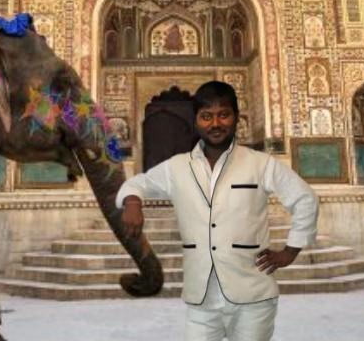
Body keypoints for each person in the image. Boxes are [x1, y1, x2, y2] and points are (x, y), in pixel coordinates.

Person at [118, 81, 319, 341]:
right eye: (206, 116)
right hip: (201, 299)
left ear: (236, 119)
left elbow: (305, 198)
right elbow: (136, 183)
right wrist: (133, 202)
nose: (216, 124)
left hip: (252, 297)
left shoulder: (260, 163)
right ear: (196, 121)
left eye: (223, 115)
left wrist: (292, 250)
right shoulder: (178, 167)